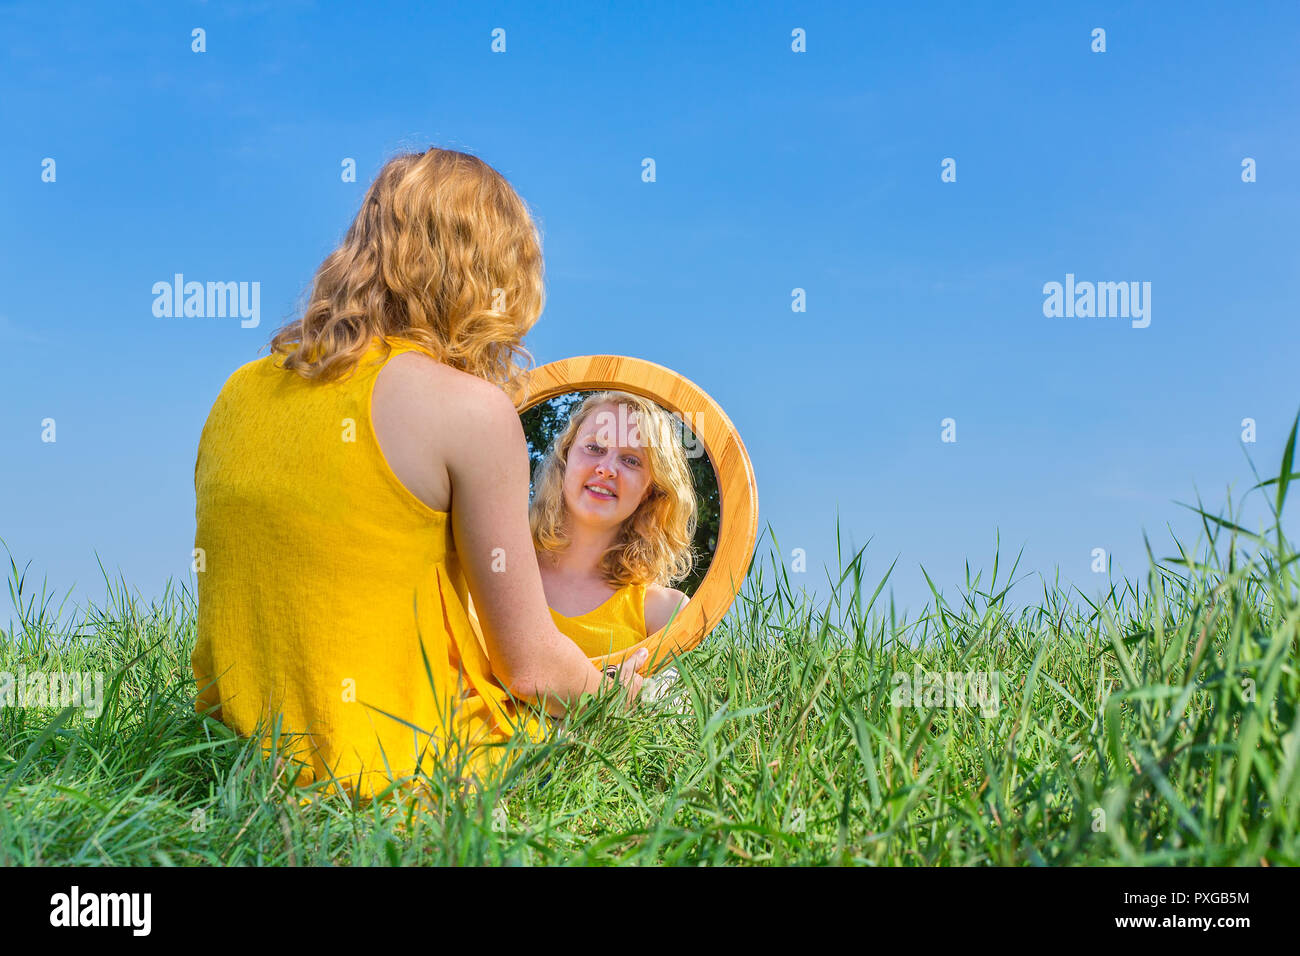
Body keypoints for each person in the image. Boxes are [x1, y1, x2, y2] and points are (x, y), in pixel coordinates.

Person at [190, 147, 647, 803]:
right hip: (415, 778)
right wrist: (619, 703)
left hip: (238, 771)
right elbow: (532, 668)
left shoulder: (234, 393)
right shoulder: (470, 411)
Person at [529, 391, 698, 659]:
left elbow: (675, 700)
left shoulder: (663, 611)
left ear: (650, 490)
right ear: (565, 457)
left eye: (631, 460)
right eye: (594, 448)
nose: (606, 469)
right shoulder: (503, 563)